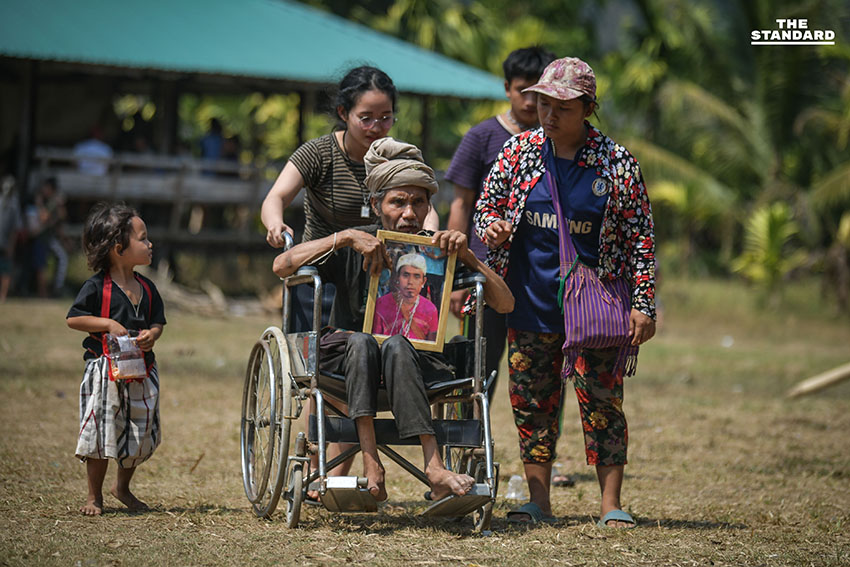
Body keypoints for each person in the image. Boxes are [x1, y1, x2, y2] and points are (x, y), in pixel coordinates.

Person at [272, 137, 514, 502]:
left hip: (413, 366)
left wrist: (467, 256)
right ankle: (372, 463)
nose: (409, 213)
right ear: (376, 205)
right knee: (362, 340)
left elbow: (505, 303)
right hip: (350, 364)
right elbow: (281, 265)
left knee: (397, 344)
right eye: (398, 202)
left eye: (418, 202)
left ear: (429, 206)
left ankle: (434, 467)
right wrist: (344, 237)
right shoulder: (357, 243)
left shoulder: (437, 251)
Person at [473, 57, 656, 527]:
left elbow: (640, 237)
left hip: (597, 311)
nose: (549, 115)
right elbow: (486, 207)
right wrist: (492, 227)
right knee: (532, 404)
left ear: (588, 108)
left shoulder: (617, 163)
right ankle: (539, 502)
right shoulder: (518, 152)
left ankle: (611, 505)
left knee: (603, 403)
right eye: (543, 104)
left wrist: (643, 304)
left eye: (563, 107)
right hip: (528, 303)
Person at [445, 46, 556, 402]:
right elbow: (461, 204)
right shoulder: (481, 137)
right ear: (507, 88)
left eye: (539, 92)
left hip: (541, 275)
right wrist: (454, 275)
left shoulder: (560, 141)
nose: (530, 100)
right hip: (484, 271)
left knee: (543, 372)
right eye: (523, 90)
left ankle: (541, 439)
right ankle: (473, 435)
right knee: (478, 366)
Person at [66, 203, 166, 516]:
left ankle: (121, 487)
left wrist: (153, 334)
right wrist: (107, 324)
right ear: (119, 249)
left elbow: (158, 321)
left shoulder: (147, 288)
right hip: (104, 373)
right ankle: (94, 496)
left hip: (141, 372)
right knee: (100, 432)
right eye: (143, 238)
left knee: (137, 432)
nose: (150, 244)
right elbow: (74, 319)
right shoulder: (96, 287)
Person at [373, 253, 438, 340]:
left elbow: (431, 345)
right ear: (397, 278)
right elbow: (375, 340)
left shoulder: (430, 309)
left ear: (423, 281)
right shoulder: (381, 304)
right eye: (405, 275)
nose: (410, 282)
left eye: (416, 276)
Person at [0, 175, 21, 302]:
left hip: (6, 243)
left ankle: (3, 296)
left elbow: (15, 229)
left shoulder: (14, 205)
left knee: (6, 270)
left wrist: (11, 246)